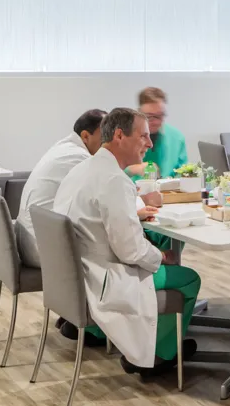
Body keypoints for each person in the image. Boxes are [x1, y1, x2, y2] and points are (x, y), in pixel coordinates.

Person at [53, 108, 200, 377]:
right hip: (103, 280)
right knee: (188, 277)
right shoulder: (114, 179)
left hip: (76, 276)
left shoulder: (82, 169)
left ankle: (149, 342)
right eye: (143, 136)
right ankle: (156, 355)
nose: (150, 143)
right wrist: (160, 256)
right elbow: (130, 250)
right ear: (120, 135)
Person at [18, 110, 105, 269]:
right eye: (105, 136)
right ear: (86, 136)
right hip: (44, 250)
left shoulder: (64, 147)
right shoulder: (80, 158)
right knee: (112, 253)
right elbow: (105, 201)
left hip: (30, 241)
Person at [136, 87, 189, 177]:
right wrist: (133, 169)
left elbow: (184, 173)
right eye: (150, 117)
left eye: (160, 116)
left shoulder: (176, 138)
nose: (156, 122)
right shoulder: (126, 137)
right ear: (139, 113)